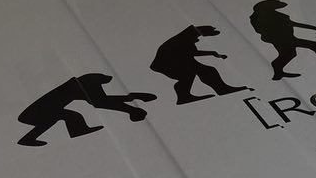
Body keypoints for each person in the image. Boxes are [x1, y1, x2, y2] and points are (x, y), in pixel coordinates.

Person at [17, 73, 155, 147]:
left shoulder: (76, 87)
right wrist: (131, 99)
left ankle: (77, 130)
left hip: (36, 112)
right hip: (33, 113)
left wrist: (131, 100)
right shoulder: (83, 85)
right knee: (70, 116)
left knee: (66, 116)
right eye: (101, 83)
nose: (102, 85)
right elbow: (101, 102)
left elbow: (101, 101)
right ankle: (28, 139)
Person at [150, 24, 246, 104]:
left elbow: (191, 52)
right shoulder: (185, 38)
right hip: (165, 63)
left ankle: (222, 89)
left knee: (208, 70)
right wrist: (212, 53)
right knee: (189, 73)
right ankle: (184, 96)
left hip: (180, 59)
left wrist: (213, 53)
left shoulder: (187, 36)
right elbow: (194, 52)